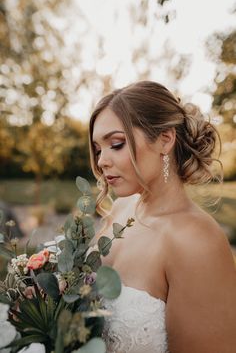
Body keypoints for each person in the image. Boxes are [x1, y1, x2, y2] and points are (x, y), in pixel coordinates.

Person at [88, 81, 236, 353]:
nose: (101, 161)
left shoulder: (196, 241)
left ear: (165, 140)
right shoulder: (121, 209)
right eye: (99, 149)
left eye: (116, 144)